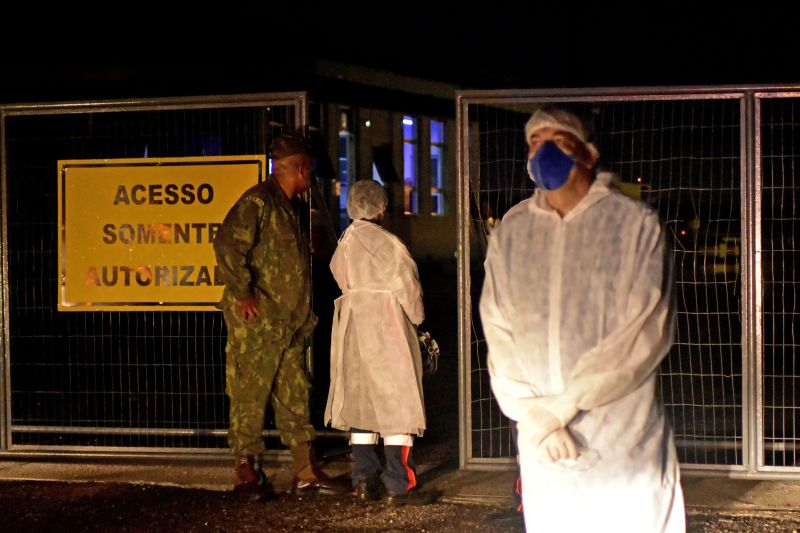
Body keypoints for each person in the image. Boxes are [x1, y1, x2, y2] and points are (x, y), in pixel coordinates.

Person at [480, 106, 685, 532]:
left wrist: (562, 407)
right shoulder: (513, 232)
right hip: (544, 441)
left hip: (619, 432)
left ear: (588, 154)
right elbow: (497, 328)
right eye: (534, 143)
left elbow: (644, 331)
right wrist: (534, 416)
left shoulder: (632, 226)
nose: (542, 152)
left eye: (557, 142)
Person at [214, 133, 349, 499]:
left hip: (289, 324)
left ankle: (306, 471)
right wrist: (242, 294)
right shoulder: (259, 202)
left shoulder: (288, 207)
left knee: (295, 393)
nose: (312, 178)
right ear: (302, 168)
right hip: (259, 324)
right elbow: (227, 244)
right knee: (249, 393)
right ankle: (246, 472)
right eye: (311, 170)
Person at [325, 179, 435, 506]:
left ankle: (364, 479)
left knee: (362, 400)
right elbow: (409, 289)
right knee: (398, 402)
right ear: (381, 207)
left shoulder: (346, 241)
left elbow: (338, 273)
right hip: (386, 328)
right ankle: (399, 485)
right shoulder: (388, 244)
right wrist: (418, 320)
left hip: (353, 327)